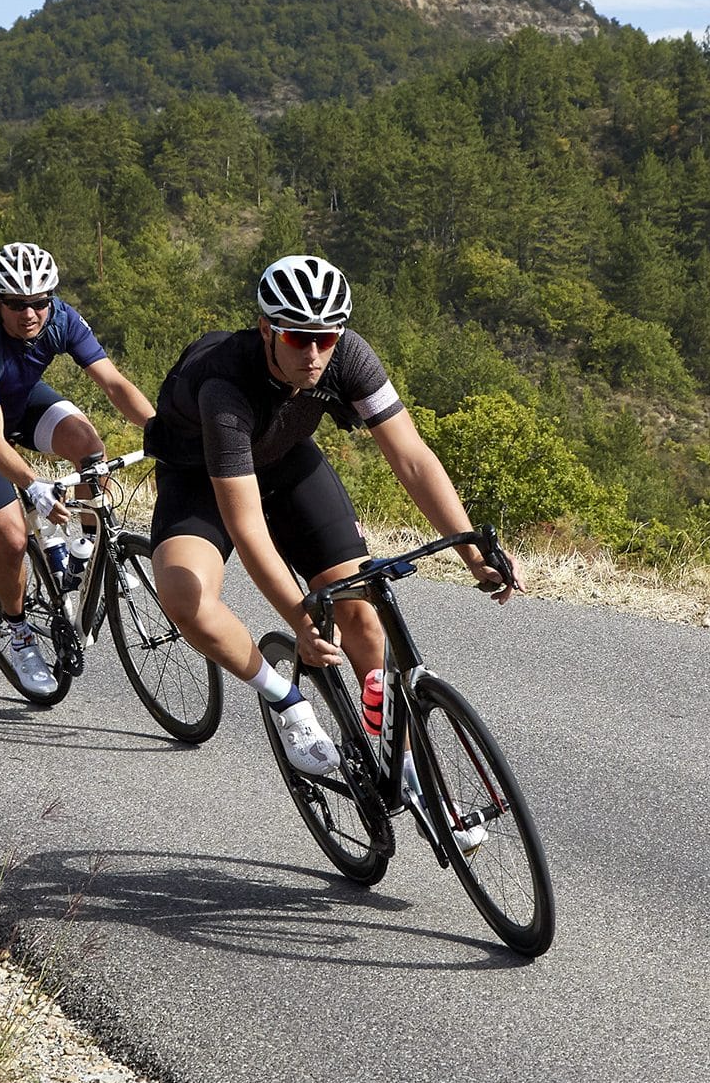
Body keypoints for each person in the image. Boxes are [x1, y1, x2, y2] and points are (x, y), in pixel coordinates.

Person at [146, 252, 513, 777]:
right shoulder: (224, 385)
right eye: (298, 338)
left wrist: (471, 549)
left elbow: (411, 457)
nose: (315, 353)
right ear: (267, 329)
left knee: (361, 613)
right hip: (199, 477)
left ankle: (406, 766)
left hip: (287, 461)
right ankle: (285, 700)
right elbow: (248, 529)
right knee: (186, 598)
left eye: (326, 337)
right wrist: (302, 620)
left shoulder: (350, 356)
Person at [0, 242, 154, 694]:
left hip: (22, 400)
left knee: (90, 450)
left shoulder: (62, 319)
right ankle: (18, 632)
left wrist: (162, 431)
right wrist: (33, 485)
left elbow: (114, 384)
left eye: (39, 302)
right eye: (16, 304)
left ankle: (84, 552)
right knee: (13, 538)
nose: (29, 313)